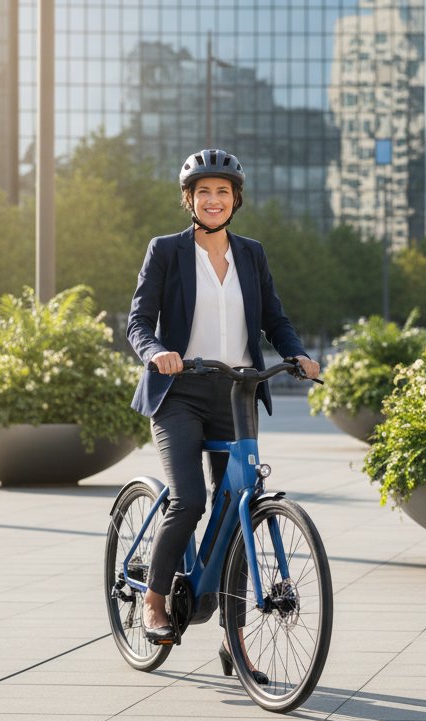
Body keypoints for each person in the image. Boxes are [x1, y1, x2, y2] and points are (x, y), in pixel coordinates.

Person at [126, 149, 320, 666]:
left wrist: (296, 352)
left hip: (236, 391)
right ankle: (154, 600)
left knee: (238, 510)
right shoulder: (166, 250)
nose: (214, 200)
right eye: (204, 192)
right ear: (189, 199)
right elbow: (139, 322)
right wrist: (156, 353)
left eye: (223, 192)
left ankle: (234, 638)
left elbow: (273, 318)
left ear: (236, 200)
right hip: (180, 392)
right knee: (188, 501)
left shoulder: (251, 254)